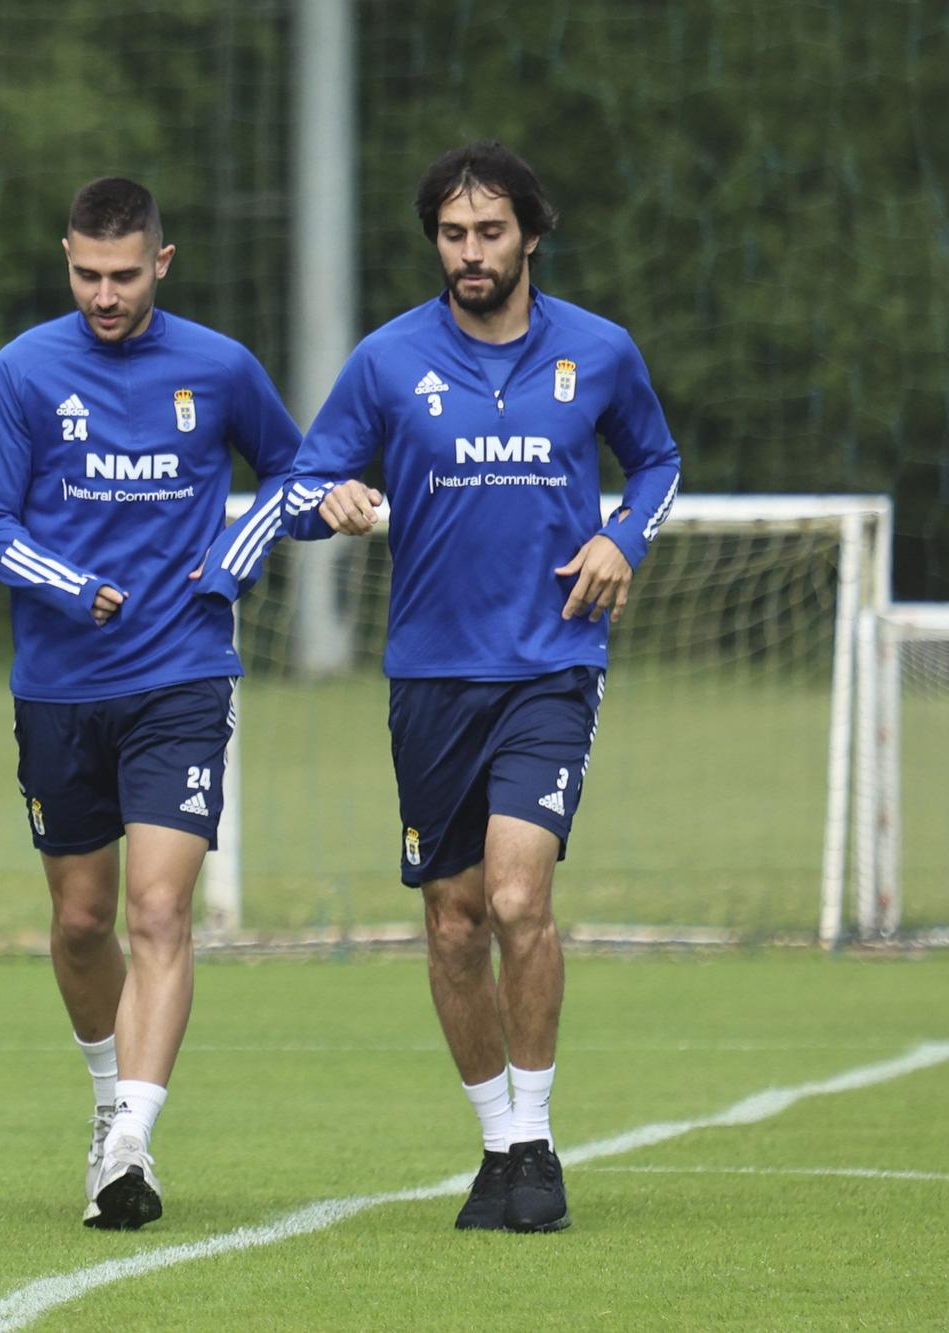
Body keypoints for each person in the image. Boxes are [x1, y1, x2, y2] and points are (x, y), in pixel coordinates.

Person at [282, 141, 681, 1233]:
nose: (470, 252)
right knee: (453, 924)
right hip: (428, 677)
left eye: (489, 232)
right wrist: (337, 499)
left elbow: (655, 461)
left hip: (550, 662)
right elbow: (306, 477)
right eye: (452, 235)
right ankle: (496, 1146)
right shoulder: (384, 360)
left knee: (516, 897)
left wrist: (622, 539)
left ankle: (539, 1139)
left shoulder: (595, 352)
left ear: (529, 235)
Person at [0, 178, 322, 1230]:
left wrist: (229, 558)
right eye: (85, 274)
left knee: (157, 909)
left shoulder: (216, 367)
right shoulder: (24, 370)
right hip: (58, 688)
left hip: (181, 674)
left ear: (160, 263)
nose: (103, 295)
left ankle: (129, 1141)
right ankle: (102, 1099)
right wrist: (72, 586)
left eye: (123, 276)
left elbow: (298, 479)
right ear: (65, 257)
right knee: (80, 923)